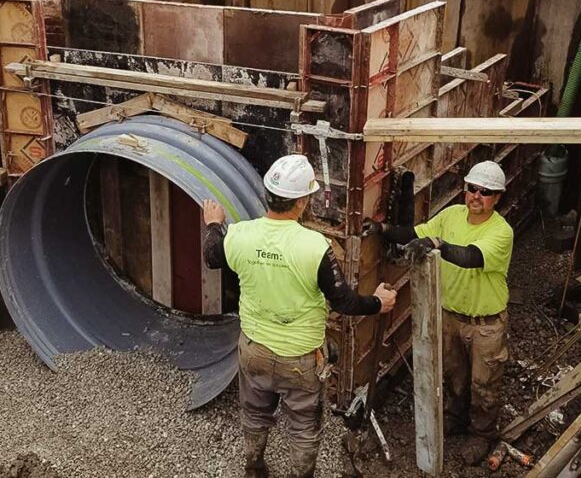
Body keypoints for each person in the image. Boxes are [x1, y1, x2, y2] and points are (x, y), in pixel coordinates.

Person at [203, 154, 397, 478]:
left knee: (254, 413)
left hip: (254, 350)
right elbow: (344, 302)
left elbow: (211, 255)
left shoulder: (239, 236)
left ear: (268, 194)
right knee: (304, 426)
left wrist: (213, 222)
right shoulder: (314, 246)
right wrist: (377, 302)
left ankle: (254, 468)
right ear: (303, 201)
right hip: (300, 358)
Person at [363, 160, 514, 465]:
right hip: (450, 316)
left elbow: (470, 256)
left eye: (486, 192)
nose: (476, 195)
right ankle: (457, 417)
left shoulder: (501, 231)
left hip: (485, 324)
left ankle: (482, 433)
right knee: (456, 376)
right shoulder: (451, 215)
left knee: (484, 384)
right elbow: (415, 233)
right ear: (465, 189)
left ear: (497, 197)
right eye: (472, 188)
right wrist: (383, 229)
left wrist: (439, 244)